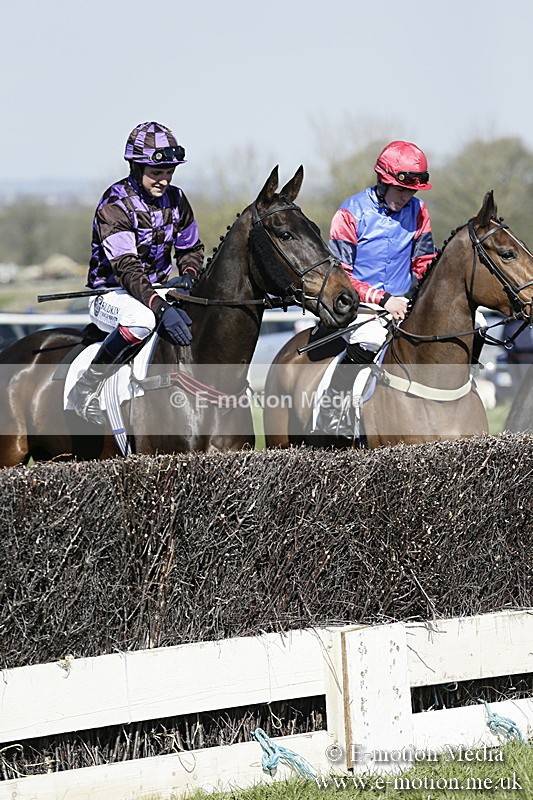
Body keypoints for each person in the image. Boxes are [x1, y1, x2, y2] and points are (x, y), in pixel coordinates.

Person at [68, 121, 205, 425]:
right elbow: (127, 269)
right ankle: (85, 389)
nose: (165, 180)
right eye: (157, 173)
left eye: (169, 172)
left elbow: (191, 248)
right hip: (111, 293)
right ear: (135, 167)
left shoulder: (178, 200)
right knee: (142, 320)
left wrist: (189, 274)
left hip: (157, 290)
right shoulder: (114, 203)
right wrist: (158, 305)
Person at [315, 140, 437, 437]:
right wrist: (383, 299)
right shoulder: (350, 213)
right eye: (401, 190)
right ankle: (331, 415)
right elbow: (340, 277)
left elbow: (424, 262)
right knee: (370, 338)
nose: (406, 198)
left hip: (401, 305)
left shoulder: (419, 212)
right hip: (358, 306)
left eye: (411, 192)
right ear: (383, 182)